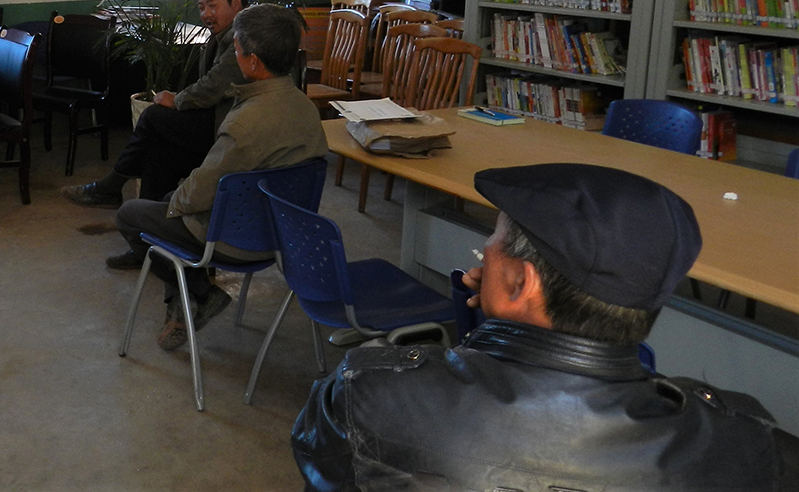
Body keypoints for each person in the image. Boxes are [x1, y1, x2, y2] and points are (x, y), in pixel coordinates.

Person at [290, 162, 799, 491]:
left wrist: (478, 344)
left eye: (494, 237)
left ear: (520, 283)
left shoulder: (371, 391)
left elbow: (324, 460)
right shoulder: (748, 438)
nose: (485, 252)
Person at [115, 3, 328, 351]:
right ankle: (188, 302)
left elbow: (201, 192)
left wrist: (175, 202)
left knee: (132, 215)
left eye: (239, 50)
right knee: (170, 203)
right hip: (284, 233)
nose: (236, 55)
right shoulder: (306, 108)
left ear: (253, 62)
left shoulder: (244, 120)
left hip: (238, 239)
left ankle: (200, 293)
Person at [61, 0, 248, 269]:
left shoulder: (243, 38)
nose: (205, 15)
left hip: (228, 136)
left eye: (212, 6)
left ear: (236, 3)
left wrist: (178, 100)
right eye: (201, 8)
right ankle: (146, 248)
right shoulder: (222, 36)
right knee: (158, 156)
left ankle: (112, 186)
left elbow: (214, 85)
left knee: (154, 116)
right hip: (214, 124)